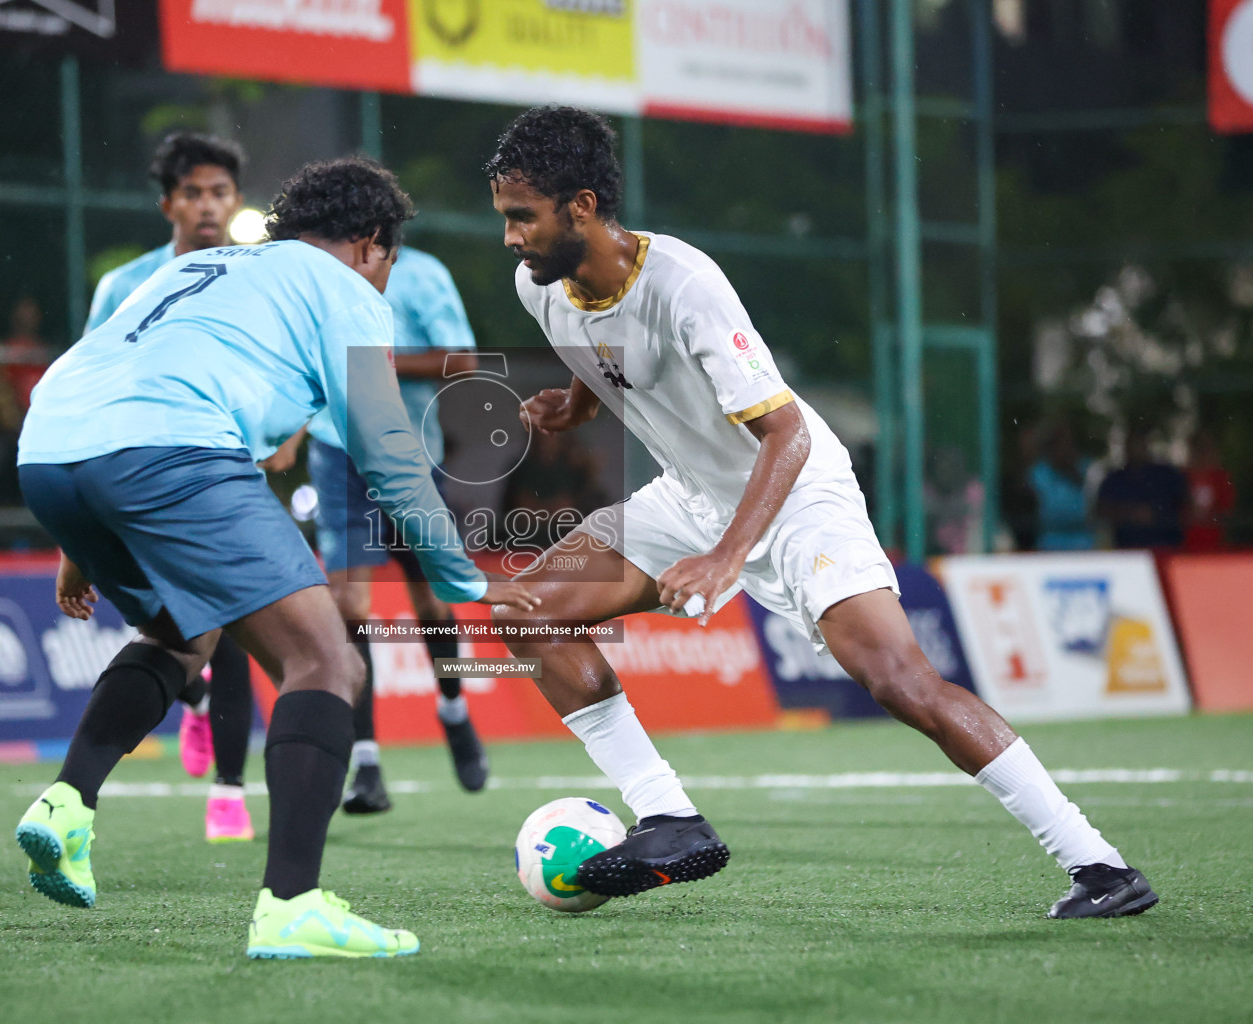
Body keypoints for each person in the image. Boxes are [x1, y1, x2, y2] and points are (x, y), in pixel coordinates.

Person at [485, 105, 1156, 919]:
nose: (513, 239)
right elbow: (615, 363)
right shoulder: (540, 288)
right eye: (507, 219)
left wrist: (729, 557)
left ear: (582, 206)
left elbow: (786, 431)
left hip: (798, 495)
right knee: (521, 609)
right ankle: (668, 818)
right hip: (690, 498)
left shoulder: (686, 286)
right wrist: (575, 406)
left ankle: (1100, 866)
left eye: (524, 217)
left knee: (900, 682)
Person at [13, 156, 537, 959]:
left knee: (183, 636)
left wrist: (76, 546)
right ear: (371, 245)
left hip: (49, 450)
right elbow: (391, 451)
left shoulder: (202, 267)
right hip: (166, 451)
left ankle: (67, 804)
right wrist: (461, 577)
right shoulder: (346, 289)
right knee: (326, 661)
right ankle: (292, 905)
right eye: (388, 265)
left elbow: (115, 375)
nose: (385, 282)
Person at [83, 130, 265, 843]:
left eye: (220, 191)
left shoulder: (254, 280)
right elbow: (91, 380)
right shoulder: (122, 288)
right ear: (168, 204)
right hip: (136, 476)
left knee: (234, 628)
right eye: (193, 192)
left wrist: (286, 435)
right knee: (165, 627)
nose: (208, 205)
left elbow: (278, 366)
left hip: (225, 472)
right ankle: (191, 696)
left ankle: (229, 794)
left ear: (237, 201)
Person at [299, 245, 488, 815]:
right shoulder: (311, 276)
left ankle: (454, 711)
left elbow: (463, 360)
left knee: (431, 599)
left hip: (409, 454)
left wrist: (379, 365)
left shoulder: (425, 275)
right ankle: (367, 764)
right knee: (349, 606)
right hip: (337, 454)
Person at [1096, 425, 1187, 550]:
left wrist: (1157, 514)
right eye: (1131, 444)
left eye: (1139, 443)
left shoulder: (1167, 475)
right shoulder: (1114, 479)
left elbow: (1185, 505)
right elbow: (1101, 510)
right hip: (1127, 548)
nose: (1135, 448)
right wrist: (1131, 513)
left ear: (1146, 445)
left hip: (1166, 545)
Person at [1028, 421, 1095, 551]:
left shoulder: (1087, 468)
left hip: (1084, 543)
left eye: (1068, 442)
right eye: (1058, 442)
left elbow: (1094, 508)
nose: (1064, 448)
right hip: (1049, 542)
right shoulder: (1038, 472)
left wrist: (1072, 472)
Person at [1183, 426, 1236, 552]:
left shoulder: (1221, 478)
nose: (1202, 454)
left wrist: (1210, 517)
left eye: (1205, 449)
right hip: (1186, 545)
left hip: (1215, 544)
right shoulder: (1183, 477)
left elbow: (1228, 511)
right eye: (1198, 448)